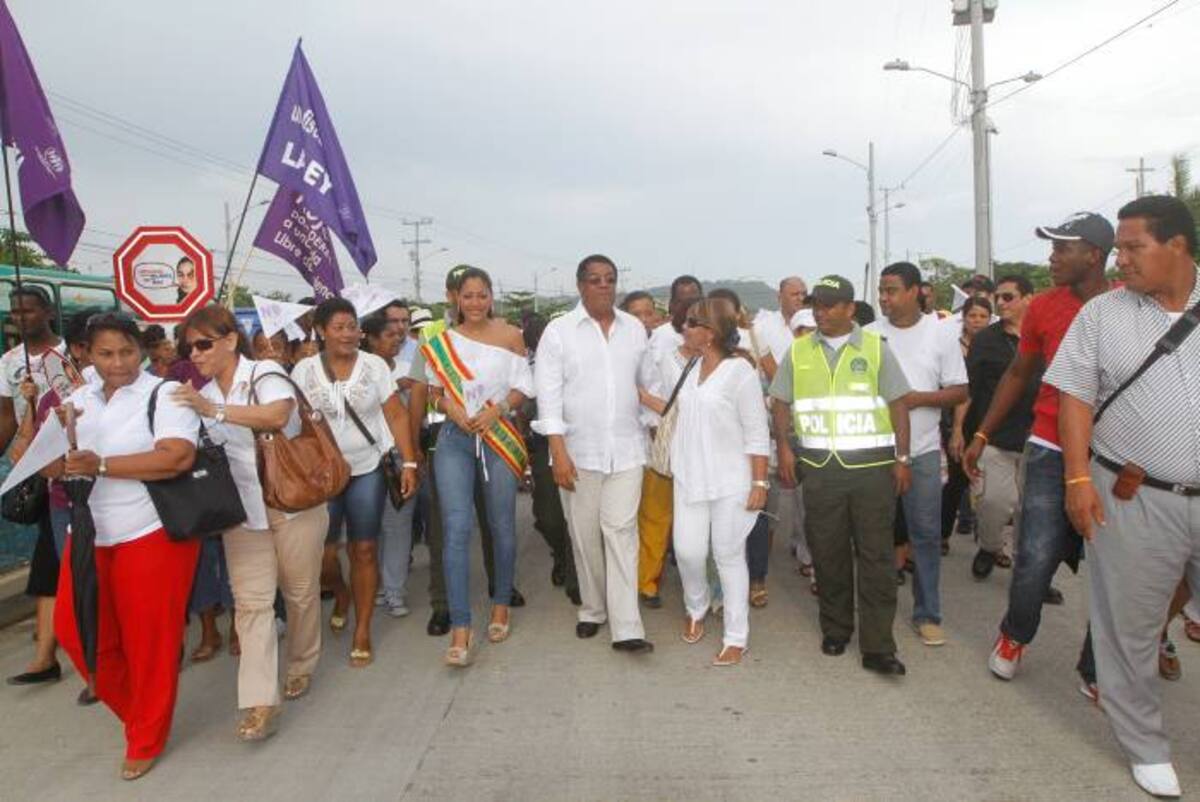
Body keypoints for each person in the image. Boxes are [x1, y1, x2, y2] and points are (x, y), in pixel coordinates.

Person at [1050, 196, 1200, 799]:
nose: (1121, 260)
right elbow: (1074, 397)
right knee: (1128, 627)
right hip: (1133, 495)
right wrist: (1078, 479)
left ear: (1179, 247)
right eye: (1118, 248)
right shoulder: (1104, 314)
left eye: (1134, 248)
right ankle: (1144, 745)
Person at [964, 212, 1115, 692]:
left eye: (1061, 248)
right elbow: (1018, 374)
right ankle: (1014, 635)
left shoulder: (1130, 306)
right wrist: (982, 433)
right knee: (1035, 554)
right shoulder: (1045, 308)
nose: (1051, 258)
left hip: (1113, 452)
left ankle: (1099, 663)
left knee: (1115, 565)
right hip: (1050, 444)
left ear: (1092, 254)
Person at [50, 312, 202, 780]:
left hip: (152, 531)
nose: (118, 363)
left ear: (141, 349)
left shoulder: (165, 394)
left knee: (149, 642)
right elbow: (52, 466)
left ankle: (146, 734)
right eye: (105, 353)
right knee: (76, 632)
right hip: (89, 531)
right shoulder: (77, 399)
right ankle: (138, 711)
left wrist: (99, 466)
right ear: (85, 354)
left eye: (126, 351)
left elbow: (177, 456)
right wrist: (50, 448)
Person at [172, 304, 329, 742]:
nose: (197, 353)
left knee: (299, 592)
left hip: (292, 501)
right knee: (251, 604)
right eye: (190, 347)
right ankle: (261, 701)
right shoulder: (199, 391)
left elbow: (277, 416)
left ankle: (301, 663)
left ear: (229, 340)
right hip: (240, 512)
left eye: (204, 344)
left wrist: (214, 410)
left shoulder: (265, 375)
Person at [770, 275, 912, 676]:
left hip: (872, 472)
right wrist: (784, 446)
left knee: (877, 559)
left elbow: (900, 404)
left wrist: (903, 458)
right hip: (820, 471)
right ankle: (835, 630)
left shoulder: (875, 349)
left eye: (831, 305)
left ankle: (879, 646)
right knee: (828, 555)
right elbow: (780, 401)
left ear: (851, 309)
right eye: (817, 304)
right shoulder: (798, 352)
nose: (821, 311)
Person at [535, 254, 657, 654]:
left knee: (621, 532)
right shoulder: (559, 332)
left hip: (626, 450)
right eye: (594, 280)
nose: (604, 286)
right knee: (584, 536)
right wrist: (558, 450)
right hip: (578, 453)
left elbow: (646, 383)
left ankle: (627, 626)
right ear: (580, 286)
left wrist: (651, 418)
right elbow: (548, 397)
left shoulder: (635, 329)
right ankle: (592, 610)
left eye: (609, 279)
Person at [291, 298, 418, 668]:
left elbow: (395, 414)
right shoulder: (303, 370)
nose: (348, 334)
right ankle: (341, 593)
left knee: (363, 550)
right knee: (323, 556)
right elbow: (298, 422)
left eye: (352, 327)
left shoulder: (375, 366)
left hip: (367, 468)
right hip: (324, 475)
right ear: (320, 330)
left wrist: (408, 461)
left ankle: (362, 628)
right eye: (339, 327)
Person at [641, 299, 769, 665]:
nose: (683, 329)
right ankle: (695, 607)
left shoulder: (739, 372)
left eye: (691, 324)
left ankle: (735, 635)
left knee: (728, 556)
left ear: (710, 333)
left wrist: (760, 483)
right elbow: (670, 409)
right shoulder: (690, 366)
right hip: (689, 477)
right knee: (687, 552)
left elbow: (757, 433)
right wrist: (635, 393)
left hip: (731, 480)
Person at [422, 267, 533, 665]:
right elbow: (434, 392)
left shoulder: (510, 336)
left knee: (502, 523)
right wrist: (452, 410)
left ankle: (501, 602)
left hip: (497, 434)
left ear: (491, 296)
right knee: (455, 528)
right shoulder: (440, 342)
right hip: (455, 438)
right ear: (455, 298)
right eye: (467, 296)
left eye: (481, 295)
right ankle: (461, 626)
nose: (474, 303)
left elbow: (523, 388)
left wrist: (498, 410)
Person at [868, 262, 967, 648]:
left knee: (924, 534)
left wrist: (913, 400)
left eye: (891, 290)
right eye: (881, 290)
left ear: (915, 291)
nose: (884, 298)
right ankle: (876, 611)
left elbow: (959, 390)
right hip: (875, 451)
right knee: (874, 536)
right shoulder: (870, 335)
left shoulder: (941, 334)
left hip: (923, 451)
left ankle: (927, 613)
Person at [2, 286, 67, 689]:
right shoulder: (9, 362)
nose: (21, 317)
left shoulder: (72, 355)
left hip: (77, 471)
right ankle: (45, 656)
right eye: (14, 312)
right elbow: (6, 418)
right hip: (41, 475)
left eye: (28, 310)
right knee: (48, 559)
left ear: (47, 311)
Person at [959, 275, 1036, 579]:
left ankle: (1030, 577)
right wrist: (961, 434)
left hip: (1038, 439)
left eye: (1008, 297)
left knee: (1032, 514)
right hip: (994, 437)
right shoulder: (986, 340)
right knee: (995, 502)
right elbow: (969, 389)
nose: (1000, 303)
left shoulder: (1046, 335)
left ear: (1028, 298)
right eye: (998, 298)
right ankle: (990, 546)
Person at [637, 275, 703, 608]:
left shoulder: (711, 339)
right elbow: (647, 389)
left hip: (700, 447)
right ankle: (647, 582)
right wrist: (655, 430)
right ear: (672, 304)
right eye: (682, 299)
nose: (689, 304)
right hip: (661, 441)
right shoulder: (658, 341)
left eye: (696, 298)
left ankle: (702, 587)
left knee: (696, 517)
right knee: (655, 517)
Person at [362, 313, 417, 618]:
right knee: (370, 529)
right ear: (369, 339)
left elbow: (413, 415)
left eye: (400, 335)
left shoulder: (410, 370)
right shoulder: (358, 371)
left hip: (398, 459)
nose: (397, 339)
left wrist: (413, 456)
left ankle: (394, 590)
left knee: (397, 525)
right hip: (366, 460)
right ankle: (376, 585)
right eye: (388, 335)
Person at [941, 296, 993, 551]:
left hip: (990, 420)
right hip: (957, 421)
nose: (978, 321)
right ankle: (942, 534)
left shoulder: (998, 345)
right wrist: (956, 429)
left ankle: (991, 543)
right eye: (973, 316)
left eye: (983, 316)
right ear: (964, 318)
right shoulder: (952, 347)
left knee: (991, 484)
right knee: (957, 480)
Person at [753, 277, 808, 381]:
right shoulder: (762, 327)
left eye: (804, 294)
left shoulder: (818, 326)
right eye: (795, 294)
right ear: (780, 297)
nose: (801, 298)